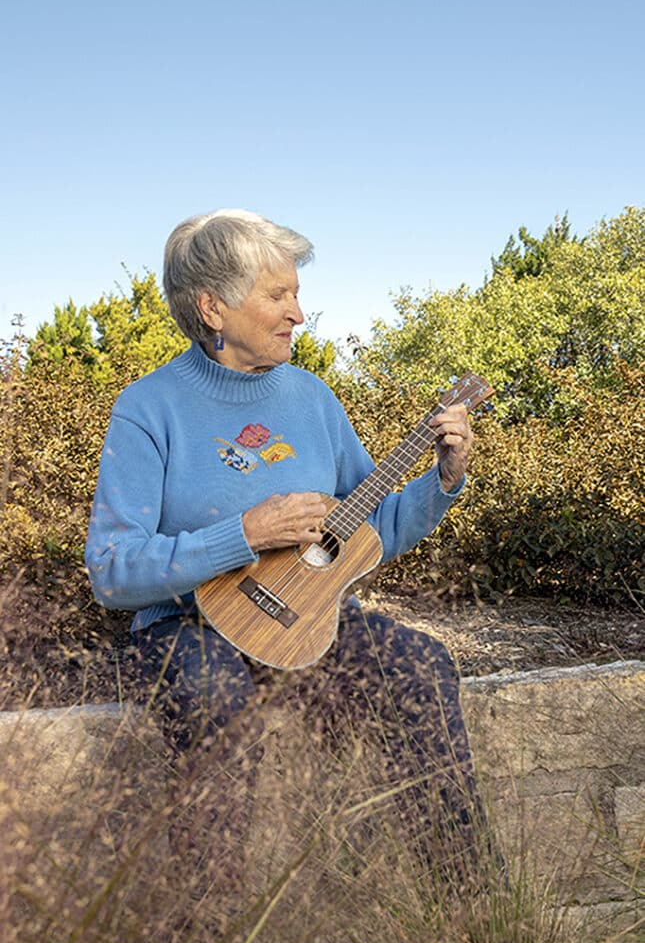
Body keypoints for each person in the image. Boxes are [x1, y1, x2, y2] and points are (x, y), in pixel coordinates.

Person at [85, 208, 486, 879]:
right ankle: (207, 936)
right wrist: (239, 536)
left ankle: (468, 896)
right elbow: (112, 571)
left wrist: (440, 482)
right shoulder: (147, 408)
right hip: (186, 627)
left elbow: (372, 526)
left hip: (303, 618)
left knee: (420, 663)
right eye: (279, 294)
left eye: (295, 293)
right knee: (215, 696)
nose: (298, 313)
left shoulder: (312, 399)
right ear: (212, 307)